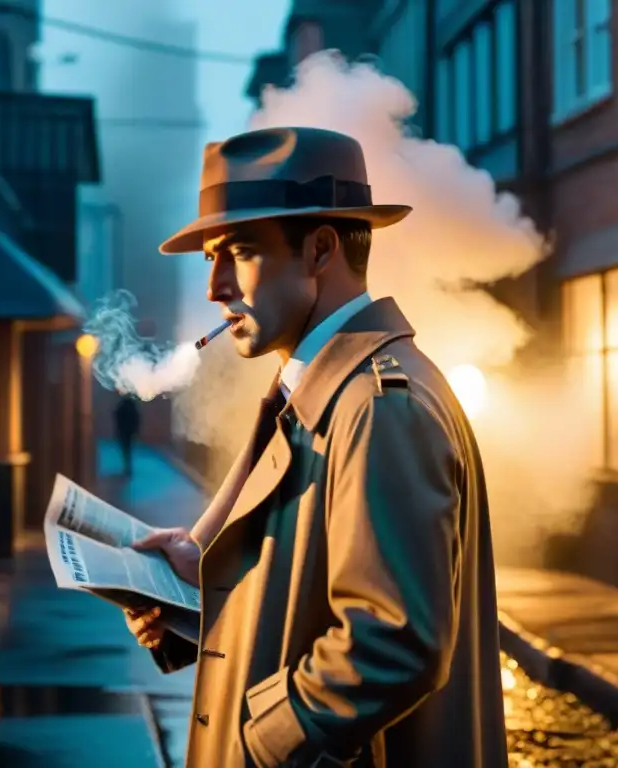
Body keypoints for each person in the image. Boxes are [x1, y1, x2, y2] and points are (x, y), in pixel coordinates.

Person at [123, 127, 508, 767]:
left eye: (239, 252)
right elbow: (302, 594)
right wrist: (198, 587)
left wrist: (259, 745)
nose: (216, 287)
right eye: (209, 259)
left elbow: (391, 642)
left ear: (321, 250)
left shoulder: (380, 407)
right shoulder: (323, 390)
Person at [113, 393, 140, 476]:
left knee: (125, 450)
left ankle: (126, 467)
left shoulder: (121, 407)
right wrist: (136, 431)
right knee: (129, 450)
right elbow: (137, 420)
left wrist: (117, 431)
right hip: (131, 432)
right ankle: (128, 468)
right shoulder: (133, 408)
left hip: (123, 431)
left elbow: (117, 419)